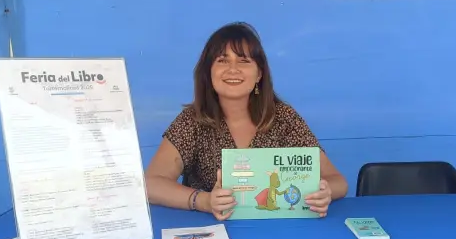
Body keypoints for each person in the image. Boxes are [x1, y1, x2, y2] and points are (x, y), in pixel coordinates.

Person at [144, 22, 348, 219]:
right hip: (213, 235)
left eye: (244, 61)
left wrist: (325, 192)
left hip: (275, 236)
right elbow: (151, 184)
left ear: (259, 74)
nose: (233, 69)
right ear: (208, 72)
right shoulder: (193, 121)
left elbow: (338, 181)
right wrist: (204, 201)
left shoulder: (284, 118)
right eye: (222, 60)